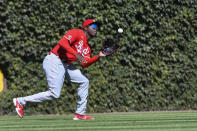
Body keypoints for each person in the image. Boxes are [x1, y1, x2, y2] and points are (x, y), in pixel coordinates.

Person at [13, 19, 106, 120]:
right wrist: (76, 54)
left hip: (66, 65)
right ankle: (20, 101)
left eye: (97, 27)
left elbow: (85, 63)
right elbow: (62, 42)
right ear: (85, 28)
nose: (96, 29)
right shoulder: (76, 32)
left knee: (84, 81)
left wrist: (99, 56)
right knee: (54, 93)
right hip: (55, 59)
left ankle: (80, 114)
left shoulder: (87, 47)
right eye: (94, 26)